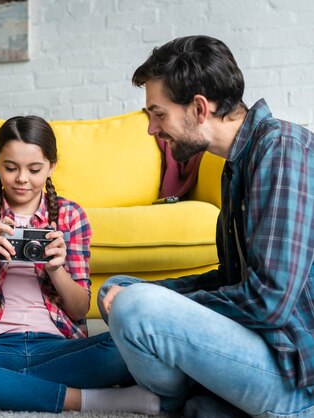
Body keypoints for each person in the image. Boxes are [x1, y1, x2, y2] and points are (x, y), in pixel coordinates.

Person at [98, 35, 314, 416]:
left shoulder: (281, 149)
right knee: (120, 288)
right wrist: (151, 296)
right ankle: (206, 401)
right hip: (266, 351)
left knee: (134, 307)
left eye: (158, 113)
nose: (152, 129)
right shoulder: (238, 164)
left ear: (199, 107)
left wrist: (158, 308)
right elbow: (232, 281)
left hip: (296, 378)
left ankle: (175, 400)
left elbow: (270, 303)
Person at [0, 115, 160, 414]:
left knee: (126, 349)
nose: (22, 179)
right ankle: (88, 400)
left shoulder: (70, 216)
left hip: (58, 346)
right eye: (10, 168)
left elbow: (78, 309)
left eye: (34, 169)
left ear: (51, 166)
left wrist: (56, 269)